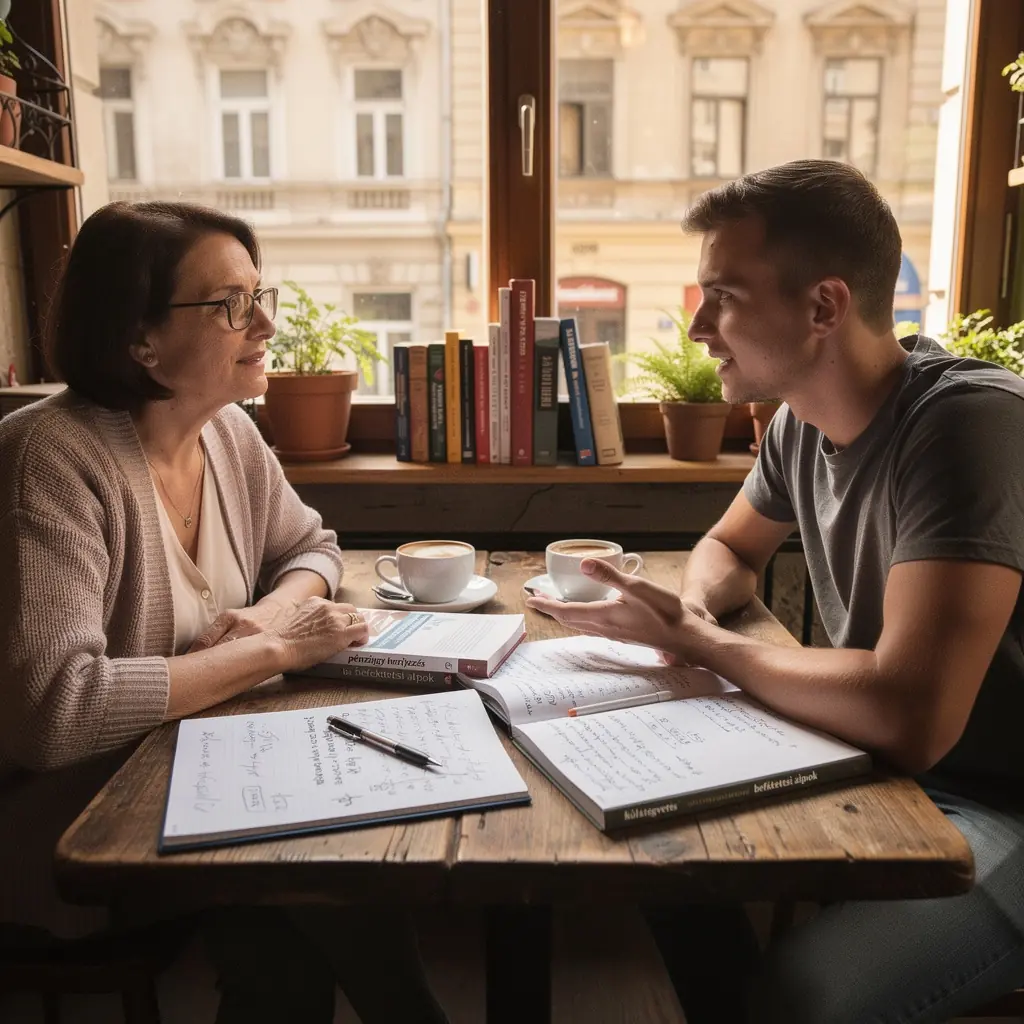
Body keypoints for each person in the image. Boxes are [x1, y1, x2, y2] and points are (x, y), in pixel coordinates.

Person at [526, 160, 1024, 1023]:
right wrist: (687, 611)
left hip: (998, 802)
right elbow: (727, 544)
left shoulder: (969, 423)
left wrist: (703, 642)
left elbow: (913, 714)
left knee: (799, 1004)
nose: (696, 328)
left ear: (824, 307)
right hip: (883, 767)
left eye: (722, 296)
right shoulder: (801, 421)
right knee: (652, 856)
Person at [0, 201, 447, 1024]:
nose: (267, 322)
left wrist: (270, 618)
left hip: (220, 782)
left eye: (259, 294)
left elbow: (314, 550)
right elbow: (53, 717)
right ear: (141, 340)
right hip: (83, 823)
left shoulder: (228, 436)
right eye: (231, 305)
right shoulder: (51, 457)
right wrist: (272, 654)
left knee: (304, 895)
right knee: (313, 882)